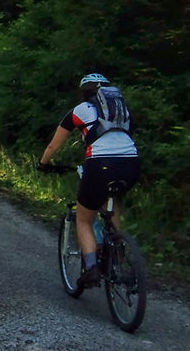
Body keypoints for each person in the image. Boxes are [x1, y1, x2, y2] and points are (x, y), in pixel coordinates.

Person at [36, 73, 141, 288]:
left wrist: (43, 164)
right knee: (112, 204)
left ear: (84, 92)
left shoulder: (80, 110)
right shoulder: (122, 111)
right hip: (131, 164)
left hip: (100, 165)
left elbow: (53, 146)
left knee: (84, 219)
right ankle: (117, 258)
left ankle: (92, 268)